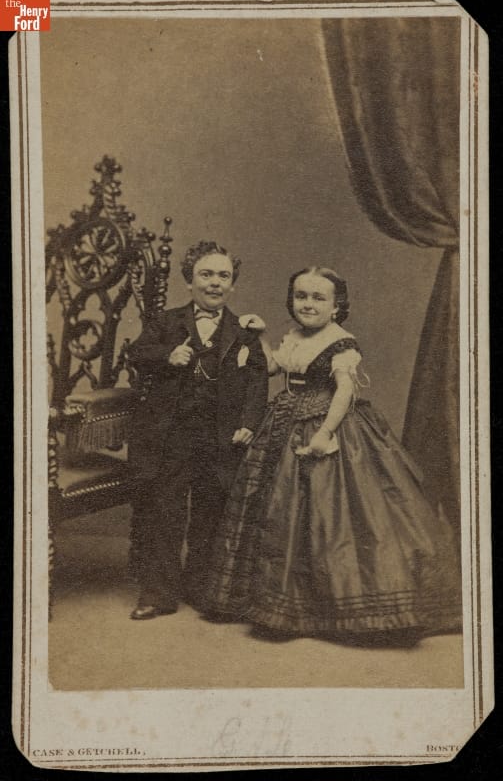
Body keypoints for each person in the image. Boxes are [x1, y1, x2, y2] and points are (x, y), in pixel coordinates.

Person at [197, 266, 462, 644]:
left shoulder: (341, 343)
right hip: (282, 421)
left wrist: (325, 433)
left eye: (318, 298)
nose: (308, 304)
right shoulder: (293, 336)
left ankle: (324, 606)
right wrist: (260, 337)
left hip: (327, 423)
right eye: (301, 296)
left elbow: (344, 392)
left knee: (326, 511)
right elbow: (272, 367)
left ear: (336, 306)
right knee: (278, 507)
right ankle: (273, 601)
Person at [127, 241, 269, 620]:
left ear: (232, 285)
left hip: (219, 437)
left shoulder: (244, 331)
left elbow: (257, 380)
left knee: (211, 512)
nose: (215, 282)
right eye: (206, 274)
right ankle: (159, 593)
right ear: (189, 281)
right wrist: (167, 355)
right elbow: (136, 353)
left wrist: (248, 423)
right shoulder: (166, 322)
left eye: (223, 276)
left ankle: (200, 587)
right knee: (166, 511)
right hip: (172, 434)